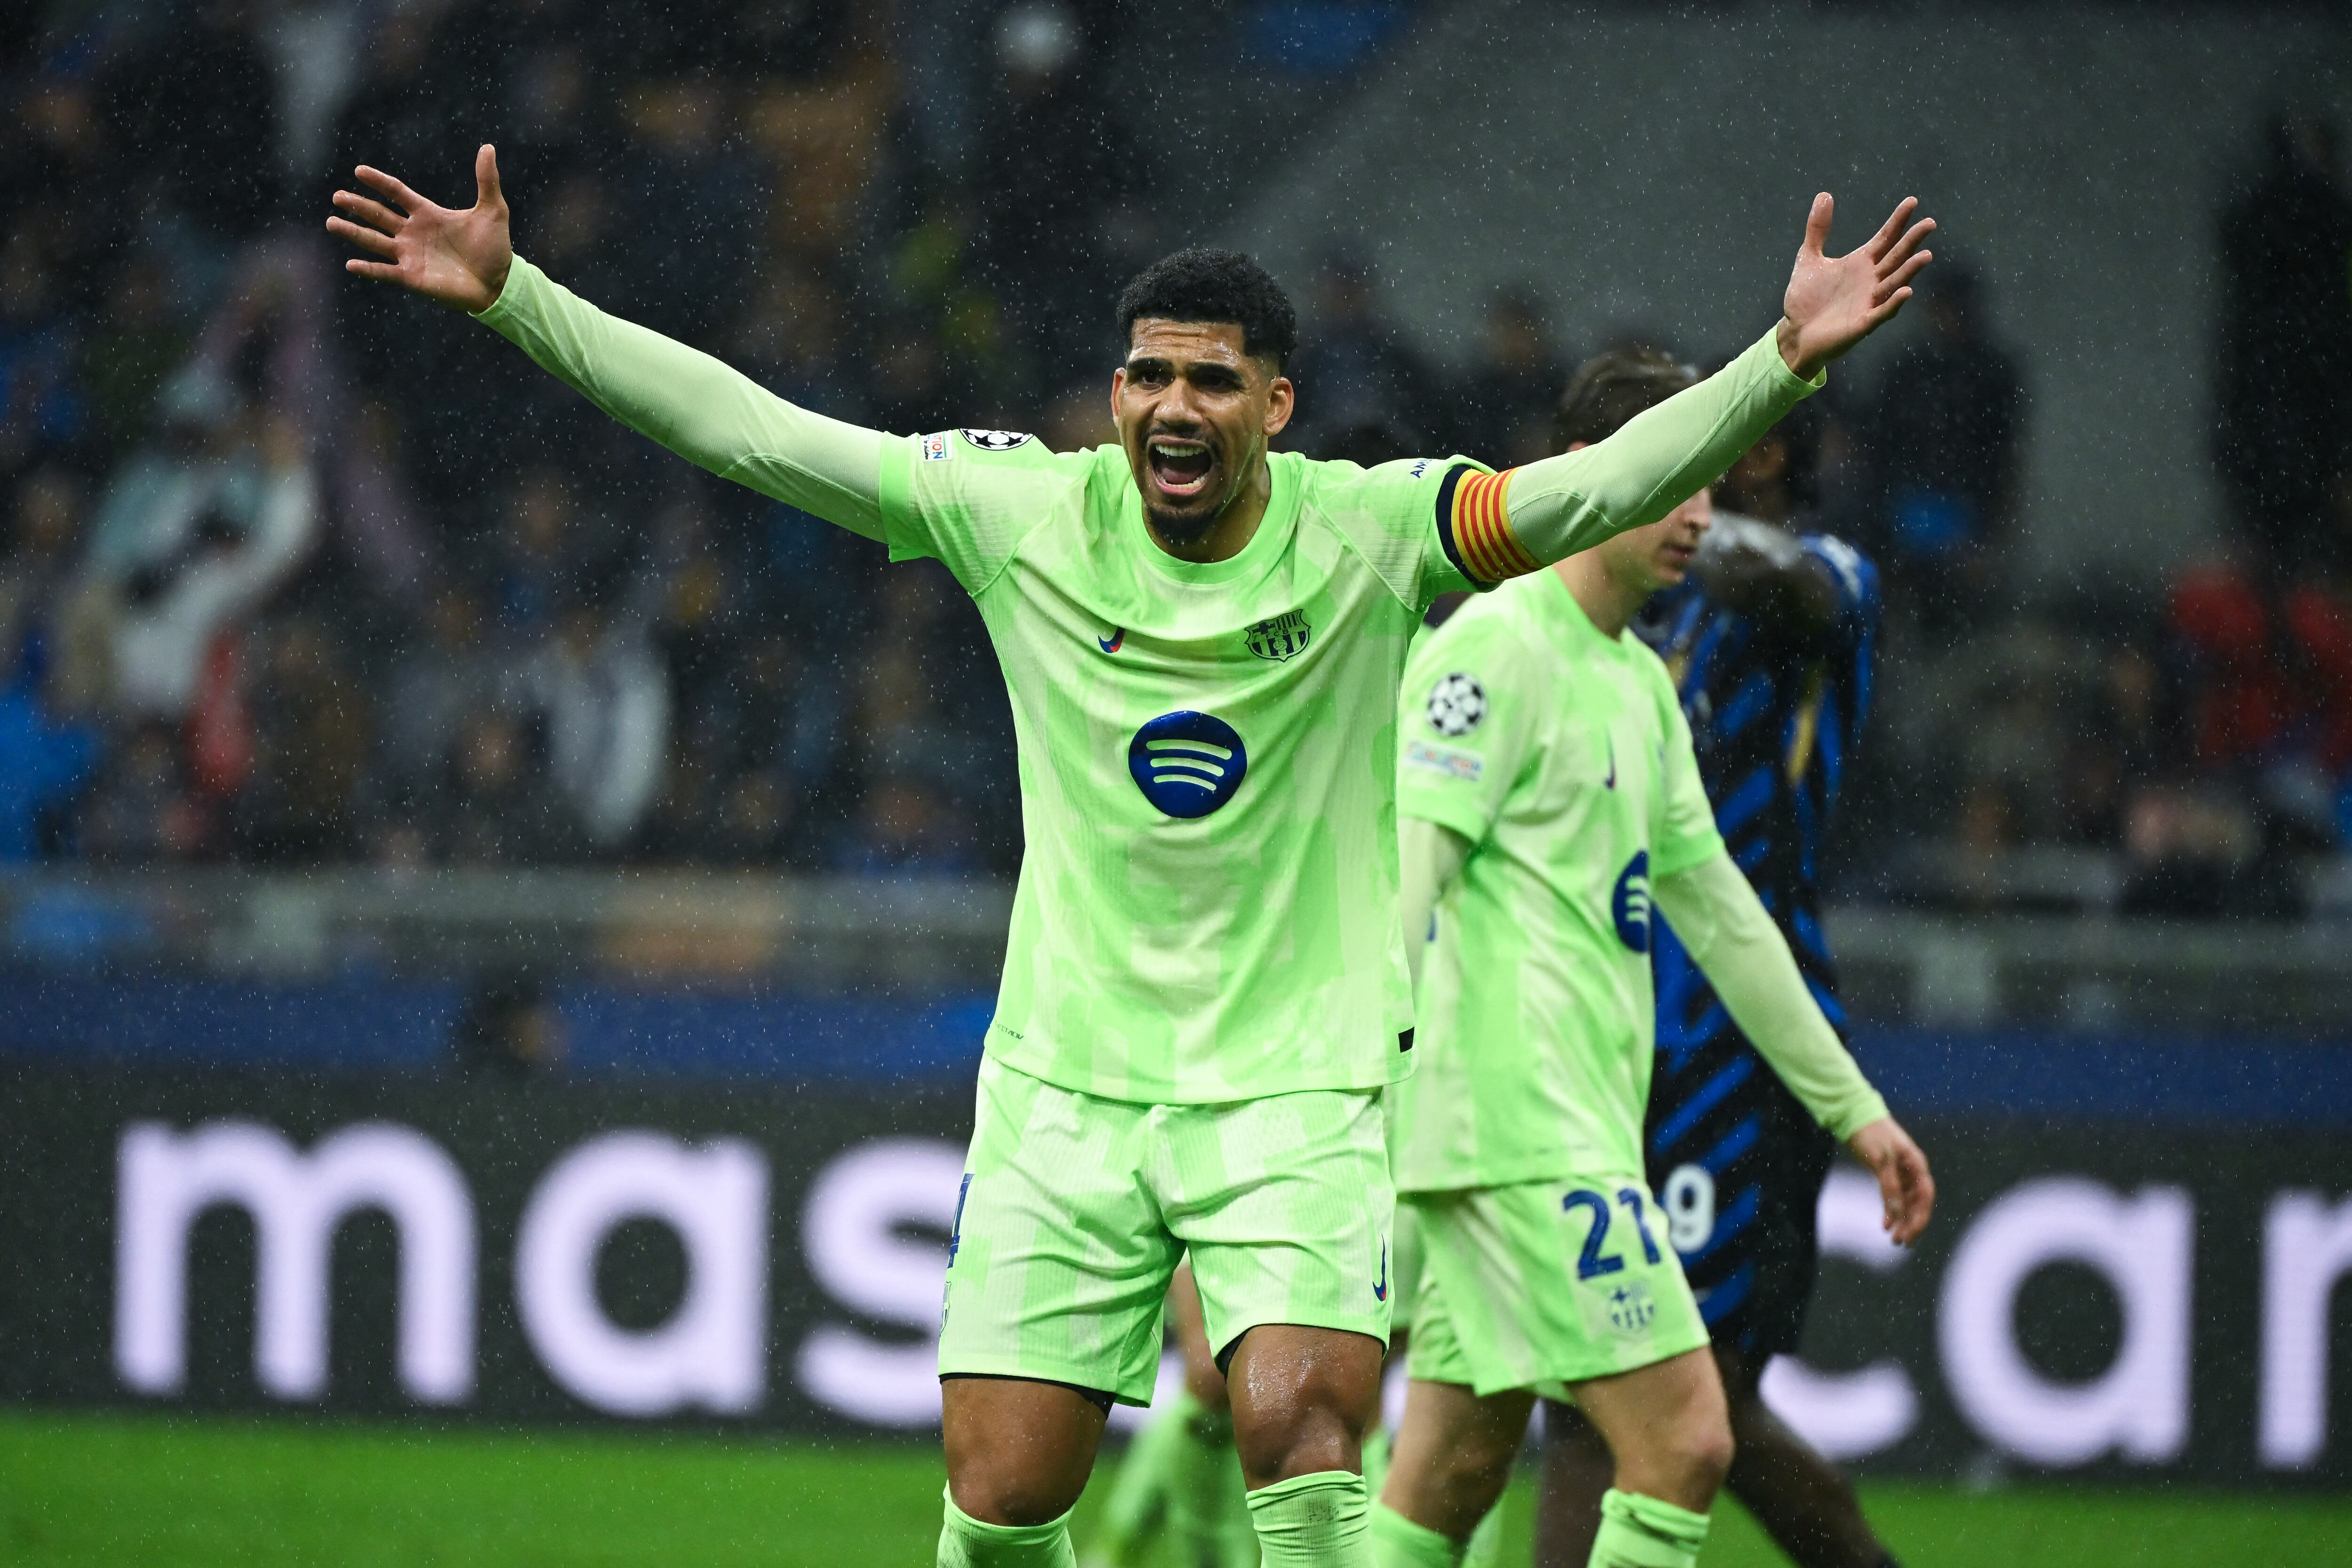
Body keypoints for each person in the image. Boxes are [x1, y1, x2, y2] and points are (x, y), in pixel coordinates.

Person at [329, 143, 1933, 1568]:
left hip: (1299, 1095)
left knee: (1310, 1437)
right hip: (1069, 1088)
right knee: (1008, 1486)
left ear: (1278, 407)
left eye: (1215, 381)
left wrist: (1777, 366)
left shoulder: (1372, 533)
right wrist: (515, 296)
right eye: (1150, 376)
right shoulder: (1015, 513)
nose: (1176, 406)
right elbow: (755, 433)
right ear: (1118, 395)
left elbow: (1598, 486)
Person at [1371, 350, 1934, 1568]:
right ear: (1587, 480)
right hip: (1517, 1135)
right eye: (1673, 483)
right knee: (1686, 1434)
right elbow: (1404, 889)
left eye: (1706, 485)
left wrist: (1857, 1111)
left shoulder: (1635, 682)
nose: (1699, 515)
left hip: (1567, 1126)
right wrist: (1347, 1093)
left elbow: (1726, 917)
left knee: (1446, 1477)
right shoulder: (1496, 647)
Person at [1535, 364, 1908, 1568]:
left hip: (1741, 1046)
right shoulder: (1645, 625)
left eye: (1699, 445)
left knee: (1699, 1398)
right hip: (1620, 1030)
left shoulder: (1820, 578)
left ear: (1756, 456)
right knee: (1580, 1384)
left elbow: (1778, 577)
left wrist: (1634, 498)